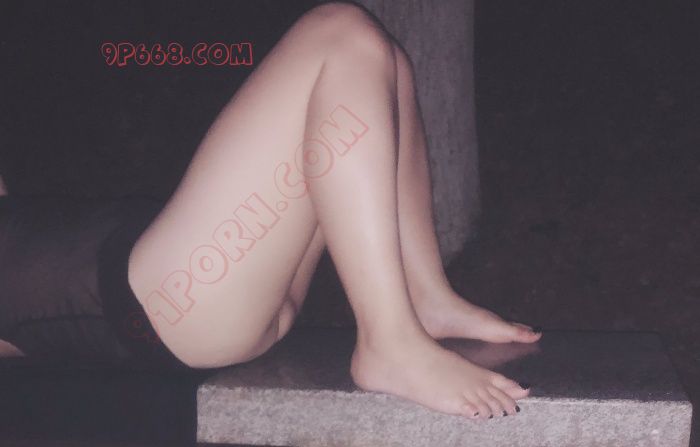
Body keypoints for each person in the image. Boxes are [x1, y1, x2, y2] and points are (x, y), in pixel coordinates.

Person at [0, 2, 540, 419]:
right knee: (341, 35)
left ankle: (425, 297)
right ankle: (389, 342)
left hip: (189, 280)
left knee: (383, 61)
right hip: (165, 300)